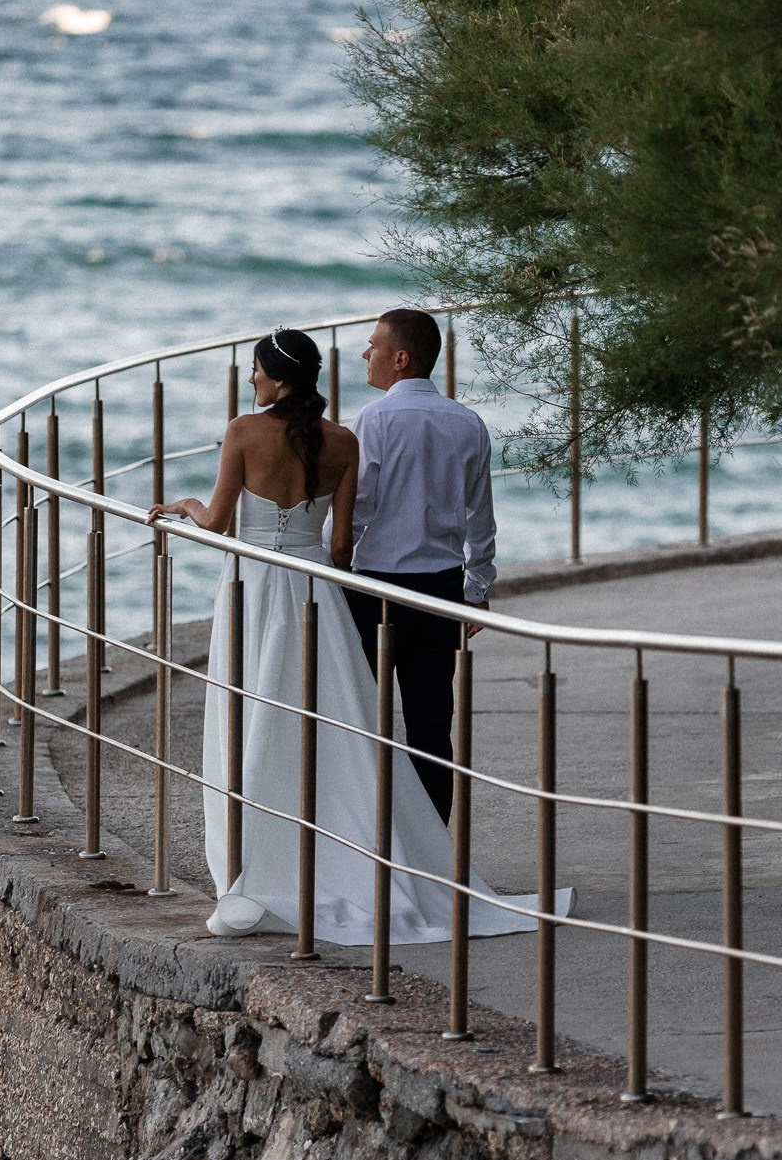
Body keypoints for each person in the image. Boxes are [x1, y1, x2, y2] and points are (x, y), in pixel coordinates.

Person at [145, 326, 563, 944]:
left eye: (256, 369)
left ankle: (254, 858)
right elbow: (342, 543)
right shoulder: (351, 437)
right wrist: (470, 584)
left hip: (263, 587)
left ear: (277, 376)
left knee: (257, 714)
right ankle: (402, 853)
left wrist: (183, 504)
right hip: (342, 587)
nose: (251, 379)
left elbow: (221, 521)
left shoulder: (253, 430)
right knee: (376, 726)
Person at [340, 309, 496, 822]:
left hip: (376, 590)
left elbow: (356, 509)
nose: (365, 354)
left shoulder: (372, 420)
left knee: (364, 717)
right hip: (442, 590)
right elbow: (481, 516)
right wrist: (476, 588)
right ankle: (431, 848)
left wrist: (323, 564)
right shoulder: (467, 422)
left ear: (399, 359)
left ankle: (375, 838)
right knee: (432, 726)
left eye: (373, 345)